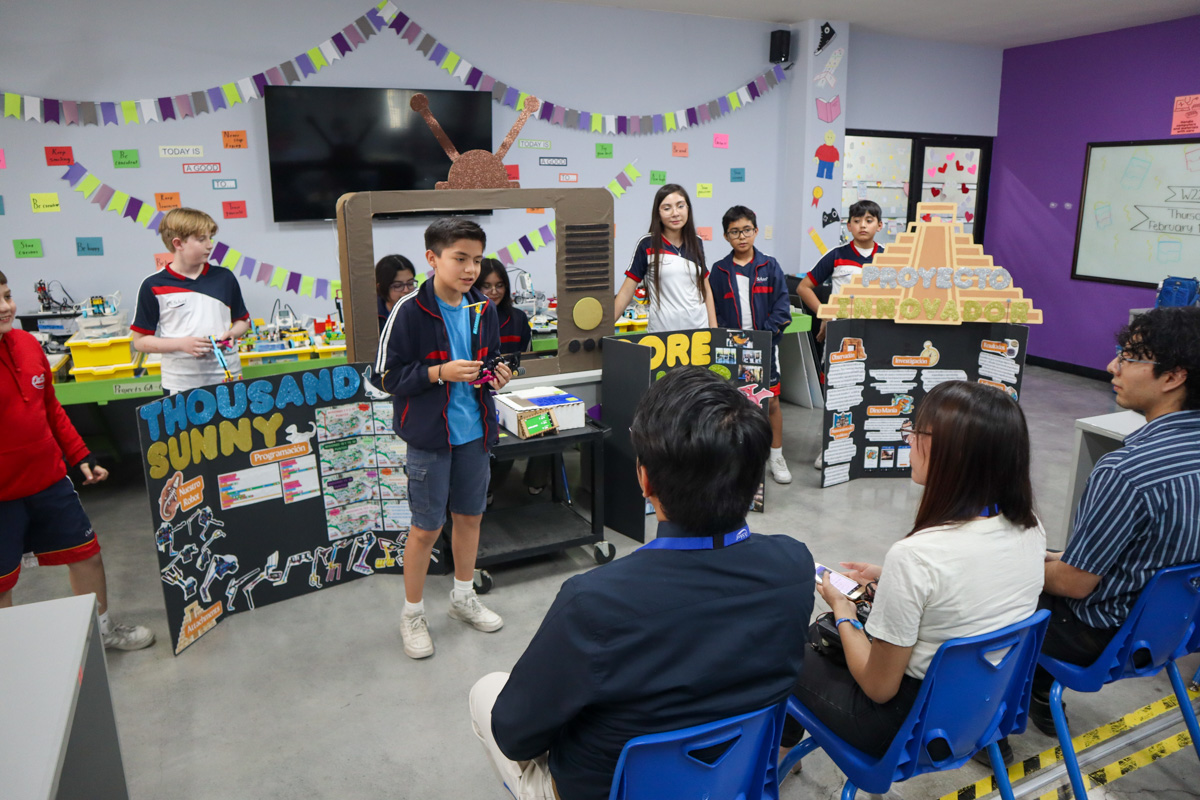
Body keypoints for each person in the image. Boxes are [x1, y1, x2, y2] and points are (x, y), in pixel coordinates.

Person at [470, 367, 814, 800]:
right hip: (732, 781)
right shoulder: (794, 566)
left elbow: (514, 735)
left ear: (645, 479)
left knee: (485, 691)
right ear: (754, 476)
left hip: (603, 791)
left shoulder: (594, 603)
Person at [780, 381, 1044, 765]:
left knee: (787, 648)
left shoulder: (917, 556)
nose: (908, 440)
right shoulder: (1030, 527)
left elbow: (878, 687)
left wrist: (843, 611)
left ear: (954, 453)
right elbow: (971, 587)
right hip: (982, 710)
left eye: (916, 432)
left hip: (905, 729)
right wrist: (891, 579)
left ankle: (779, 754)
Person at [1027, 307, 1200, 735]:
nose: (1111, 366)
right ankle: (1038, 693)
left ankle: (985, 722)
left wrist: (1009, 564)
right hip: (1173, 631)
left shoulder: (1126, 470)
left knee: (981, 588)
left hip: (1102, 637)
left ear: (1173, 377)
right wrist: (1052, 558)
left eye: (1128, 357)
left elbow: (1075, 584)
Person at [376, 218, 512, 660]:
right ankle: (412, 614)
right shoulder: (409, 310)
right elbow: (385, 376)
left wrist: (497, 375)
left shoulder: (483, 309)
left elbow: (488, 362)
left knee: (470, 517)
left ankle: (463, 598)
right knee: (426, 528)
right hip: (430, 438)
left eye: (477, 260)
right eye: (460, 259)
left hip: (475, 433)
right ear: (432, 259)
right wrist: (439, 373)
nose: (471, 269)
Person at [0, 270, 154, 650]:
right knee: (2, 582)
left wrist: (80, 454)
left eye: (7, 296)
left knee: (87, 555)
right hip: (2, 497)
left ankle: (101, 632)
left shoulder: (26, 344)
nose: (6, 307)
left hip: (49, 481)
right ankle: (9, 658)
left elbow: (51, 409)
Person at [797, 200, 885, 468]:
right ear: (849, 225)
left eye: (869, 220)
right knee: (837, 392)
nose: (862, 226)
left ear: (880, 225)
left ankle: (863, 447)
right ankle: (830, 446)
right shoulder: (836, 256)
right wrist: (825, 314)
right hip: (841, 335)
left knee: (872, 391)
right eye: (857, 221)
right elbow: (804, 287)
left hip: (877, 335)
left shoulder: (889, 258)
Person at [710, 205, 794, 484]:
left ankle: (776, 455)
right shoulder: (719, 270)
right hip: (731, 349)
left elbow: (782, 307)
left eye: (746, 230)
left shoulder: (770, 266)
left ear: (756, 231)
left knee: (770, 402)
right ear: (726, 236)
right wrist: (727, 335)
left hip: (765, 346)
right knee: (733, 404)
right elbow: (714, 309)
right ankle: (735, 459)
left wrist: (763, 336)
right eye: (734, 232)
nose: (741, 236)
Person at [131, 208, 250, 393]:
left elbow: (243, 321)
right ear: (178, 243)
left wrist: (233, 333)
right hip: (180, 384)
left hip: (228, 378)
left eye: (210, 238)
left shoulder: (225, 278)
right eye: (202, 239)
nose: (210, 245)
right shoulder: (153, 285)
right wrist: (181, 344)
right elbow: (140, 342)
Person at [474, 259, 550, 501]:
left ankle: (537, 480)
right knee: (503, 440)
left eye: (499, 285)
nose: (494, 292)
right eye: (486, 286)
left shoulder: (517, 318)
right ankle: (489, 488)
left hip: (517, 387)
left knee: (547, 428)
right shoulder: (470, 319)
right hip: (483, 393)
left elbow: (526, 358)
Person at [613, 184, 717, 332]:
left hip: (699, 331)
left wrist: (714, 329)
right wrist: (604, 328)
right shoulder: (647, 244)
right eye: (667, 208)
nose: (675, 213)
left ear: (688, 209)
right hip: (662, 334)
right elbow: (626, 292)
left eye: (680, 206)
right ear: (658, 213)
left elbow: (705, 288)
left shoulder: (697, 242)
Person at [376, 254, 418, 332]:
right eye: (398, 285)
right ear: (380, 287)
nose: (406, 290)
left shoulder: (425, 309)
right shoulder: (372, 316)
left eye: (410, 283)